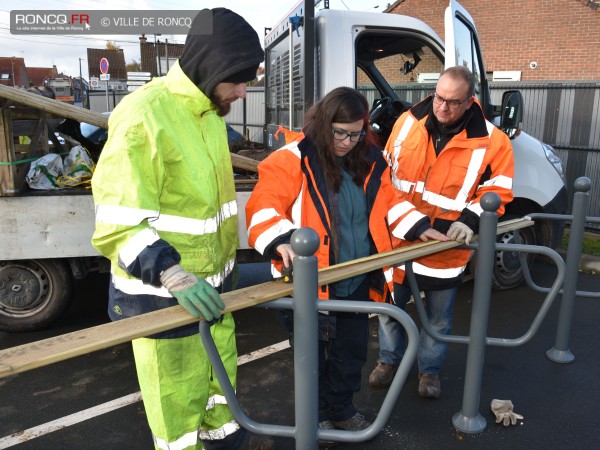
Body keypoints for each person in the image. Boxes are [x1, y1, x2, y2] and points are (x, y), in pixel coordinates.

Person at [91, 8, 273, 450]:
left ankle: (229, 444)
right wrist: (171, 273)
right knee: (177, 417)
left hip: (213, 294)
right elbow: (118, 222)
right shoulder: (144, 116)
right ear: (213, 66)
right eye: (239, 79)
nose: (243, 91)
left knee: (219, 392)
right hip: (162, 302)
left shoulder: (208, 113)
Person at [245, 87, 448, 433]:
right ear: (324, 124)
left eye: (356, 133)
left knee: (350, 355)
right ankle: (315, 418)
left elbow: (390, 200)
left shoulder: (368, 159)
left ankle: (340, 410)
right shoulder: (292, 159)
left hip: (354, 282)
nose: (348, 141)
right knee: (313, 362)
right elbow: (263, 207)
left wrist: (419, 226)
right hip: (307, 286)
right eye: (340, 133)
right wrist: (280, 242)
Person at [369, 66, 515, 399]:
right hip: (398, 239)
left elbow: (498, 191)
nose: (442, 107)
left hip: (446, 247)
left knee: (438, 319)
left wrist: (472, 219)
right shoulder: (406, 123)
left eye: (452, 101)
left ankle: (428, 372)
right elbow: (386, 176)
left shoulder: (494, 143)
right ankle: (388, 361)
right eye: (439, 97)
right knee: (390, 309)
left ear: (469, 101)